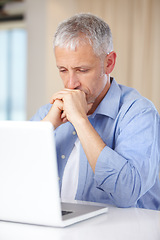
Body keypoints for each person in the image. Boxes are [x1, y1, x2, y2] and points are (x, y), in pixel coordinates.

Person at [31, 13, 160, 210]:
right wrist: (47, 126)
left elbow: (126, 194)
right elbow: (11, 178)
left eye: (82, 70)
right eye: (63, 70)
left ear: (109, 63)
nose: (71, 84)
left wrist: (80, 120)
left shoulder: (139, 113)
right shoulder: (48, 113)